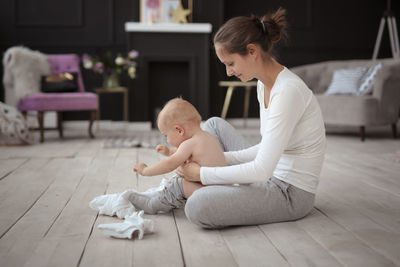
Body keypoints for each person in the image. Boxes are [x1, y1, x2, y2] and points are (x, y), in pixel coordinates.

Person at [129, 8, 326, 229]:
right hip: (269, 174)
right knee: (214, 125)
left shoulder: (288, 91)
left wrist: (202, 172)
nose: (229, 72)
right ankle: (189, 186)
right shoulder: (264, 84)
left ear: (252, 51)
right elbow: (263, 149)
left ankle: (183, 190)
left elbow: (262, 169)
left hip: (288, 193)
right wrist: (211, 160)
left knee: (197, 207)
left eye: (230, 63)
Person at [129, 97, 227, 214]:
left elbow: (170, 164)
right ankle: (171, 197)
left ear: (179, 130)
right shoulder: (206, 137)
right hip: (224, 193)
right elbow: (185, 153)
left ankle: (153, 204)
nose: (167, 139)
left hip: (213, 196)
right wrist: (169, 152)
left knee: (179, 184)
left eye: (166, 135)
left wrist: (146, 170)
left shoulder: (190, 144)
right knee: (185, 177)